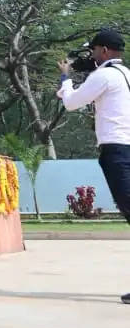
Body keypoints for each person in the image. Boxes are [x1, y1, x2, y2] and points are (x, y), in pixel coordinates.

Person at [57, 27, 130, 303]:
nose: (92, 55)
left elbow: (73, 103)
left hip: (117, 151)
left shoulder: (104, 76)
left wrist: (66, 77)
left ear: (104, 51)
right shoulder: (124, 74)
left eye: (94, 51)